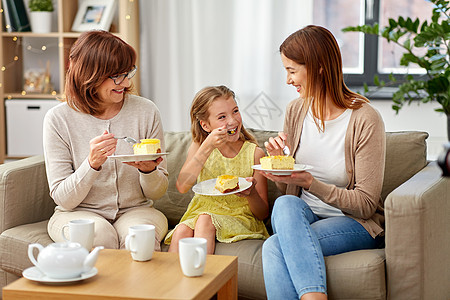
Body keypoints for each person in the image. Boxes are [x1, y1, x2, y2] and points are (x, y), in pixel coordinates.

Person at [260, 25, 386, 300]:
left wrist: (311, 183)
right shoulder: (296, 110)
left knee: (274, 247)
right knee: (284, 203)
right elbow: (288, 192)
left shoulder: (365, 119)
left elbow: (366, 203)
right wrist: (280, 165)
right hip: (303, 215)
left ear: (317, 67)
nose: (288, 80)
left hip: (354, 222)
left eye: (292, 70)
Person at [43, 30, 168, 251]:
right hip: (77, 213)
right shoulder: (58, 119)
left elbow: (157, 193)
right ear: (89, 75)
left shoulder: (146, 111)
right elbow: (63, 199)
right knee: (98, 237)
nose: (126, 82)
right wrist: (91, 165)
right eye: (116, 76)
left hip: (136, 210)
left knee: (139, 239)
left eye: (128, 72)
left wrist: (149, 171)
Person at [164, 85, 269, 254]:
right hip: (201, 211)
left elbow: (263, 213)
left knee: (205, 220)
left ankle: (202, 279)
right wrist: (206, 147)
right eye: (222, 117)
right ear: (206, 126)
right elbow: (182, 186)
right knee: (182, 231)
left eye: (235, 111)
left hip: (239, 216)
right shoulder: (200, 147)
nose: (233, 120)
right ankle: (171, 280)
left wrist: (252, 193)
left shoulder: (254, 153)